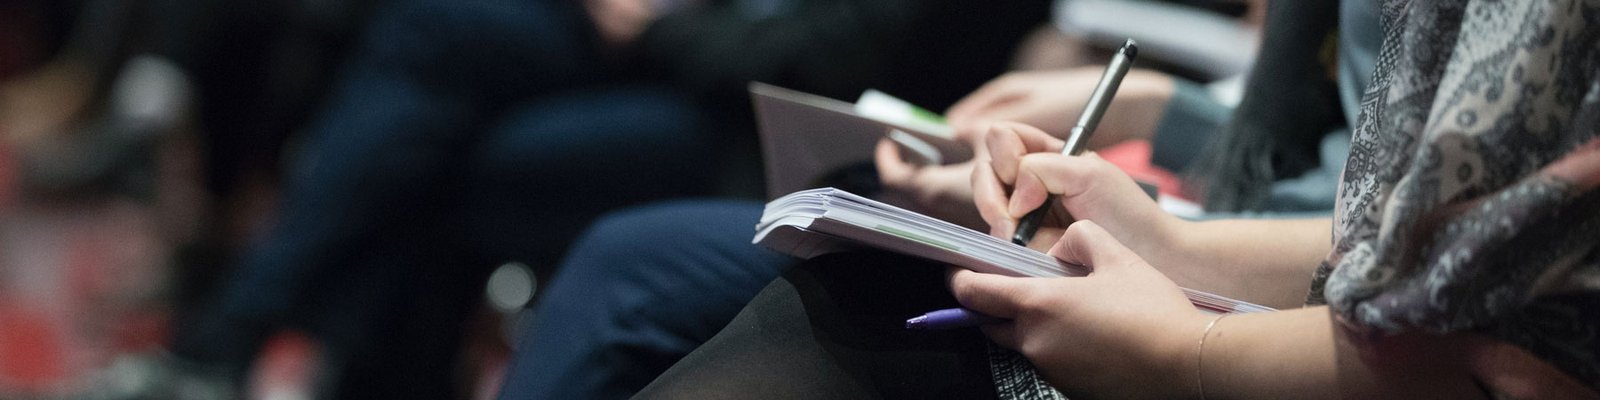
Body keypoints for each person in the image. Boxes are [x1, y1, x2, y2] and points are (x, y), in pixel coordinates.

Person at [635, 0, 1600, 397]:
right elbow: (1394, 239)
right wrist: (1157, 239)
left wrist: (1184, 348)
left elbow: (1470, 331)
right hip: (1274, 277)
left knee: (796, 325)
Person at [166, 0, 1053, 397]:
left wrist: (657, 21)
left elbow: (822, 54)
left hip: (762, 117)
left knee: (453, 156)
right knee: (428, 32)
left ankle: (237, 335)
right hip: (695, 50)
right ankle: (238, 337)